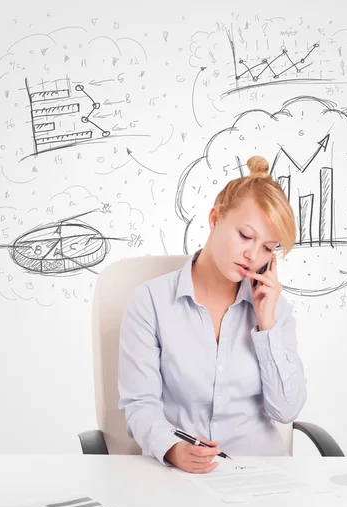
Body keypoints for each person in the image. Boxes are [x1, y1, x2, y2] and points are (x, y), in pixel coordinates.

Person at [118, 156, 307, 474]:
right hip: (182, 476)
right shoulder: (150, 302)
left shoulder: (274, 310)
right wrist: (173, 449)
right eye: (246, 236)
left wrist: (267, 324)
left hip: (262, 475)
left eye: (267, 248)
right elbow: (140, 404)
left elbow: (286, 410)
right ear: (215, 218)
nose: (252, 254)